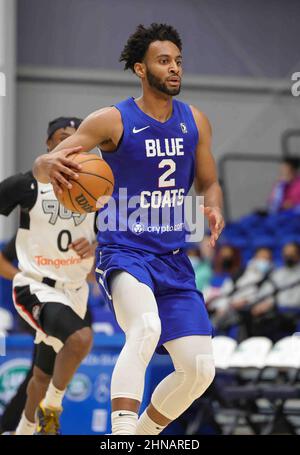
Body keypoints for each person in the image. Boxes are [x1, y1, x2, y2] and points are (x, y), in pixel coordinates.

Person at [32, 23, 225, 435]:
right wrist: (46, 166)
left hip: (173, 259)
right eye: (163, 61)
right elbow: (44, 164)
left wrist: (213, 207)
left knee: (199, 369)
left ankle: (141, 436)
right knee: (145, 328)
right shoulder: (113, 120)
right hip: (125, 252)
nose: (174, 69)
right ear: (141, 69)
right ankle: (120, 436)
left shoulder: (196, 121)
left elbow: (208, 182)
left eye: (178, 62)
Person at [0, 117, 97, 435]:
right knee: (81, 338)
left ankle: (25, 431)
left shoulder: (95, 188)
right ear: (49, 144)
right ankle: (52, 410)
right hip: (36, 286)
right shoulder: (28, 184)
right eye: (60, 138)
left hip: (75, 290)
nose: (67, 143)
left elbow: (114, 243)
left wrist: (95, 246)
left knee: (41, 375)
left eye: (75, 138)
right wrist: (17, 273)